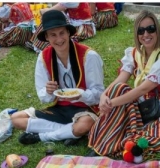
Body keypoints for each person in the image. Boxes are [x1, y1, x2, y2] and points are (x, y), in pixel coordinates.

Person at [87, 11, 160, 158]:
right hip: (136, 107)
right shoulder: (134, 53)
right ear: (136, 34)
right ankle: (105, 143)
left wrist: (112, 103)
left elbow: (144, 88)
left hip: (158, 111)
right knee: (119, 88)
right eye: (141, 30)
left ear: (157, 30)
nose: (146, 34)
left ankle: (122, 140)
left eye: (150, 28)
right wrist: (105, 95)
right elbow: (121, 79)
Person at [11, 9, 104, 147]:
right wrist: (48, 91)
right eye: (53, 35)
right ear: (47, 38)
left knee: (85, 123)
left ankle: (42, 136)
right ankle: (70, 132)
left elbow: (99, 94)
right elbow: (43, 96)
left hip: (85, 108)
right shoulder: (44, 57)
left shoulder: (88, 56)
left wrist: (80, 95)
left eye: (62, 33)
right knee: (16, 119)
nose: (59, 39)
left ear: (68, 33)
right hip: (60, 109)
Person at [30, 3, 97, 52]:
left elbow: (48, 11)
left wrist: (41, 11)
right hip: (77, 24)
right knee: (53, 20)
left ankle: (39, 44)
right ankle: (38, 44)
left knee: (51, 17)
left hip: (84, 27)